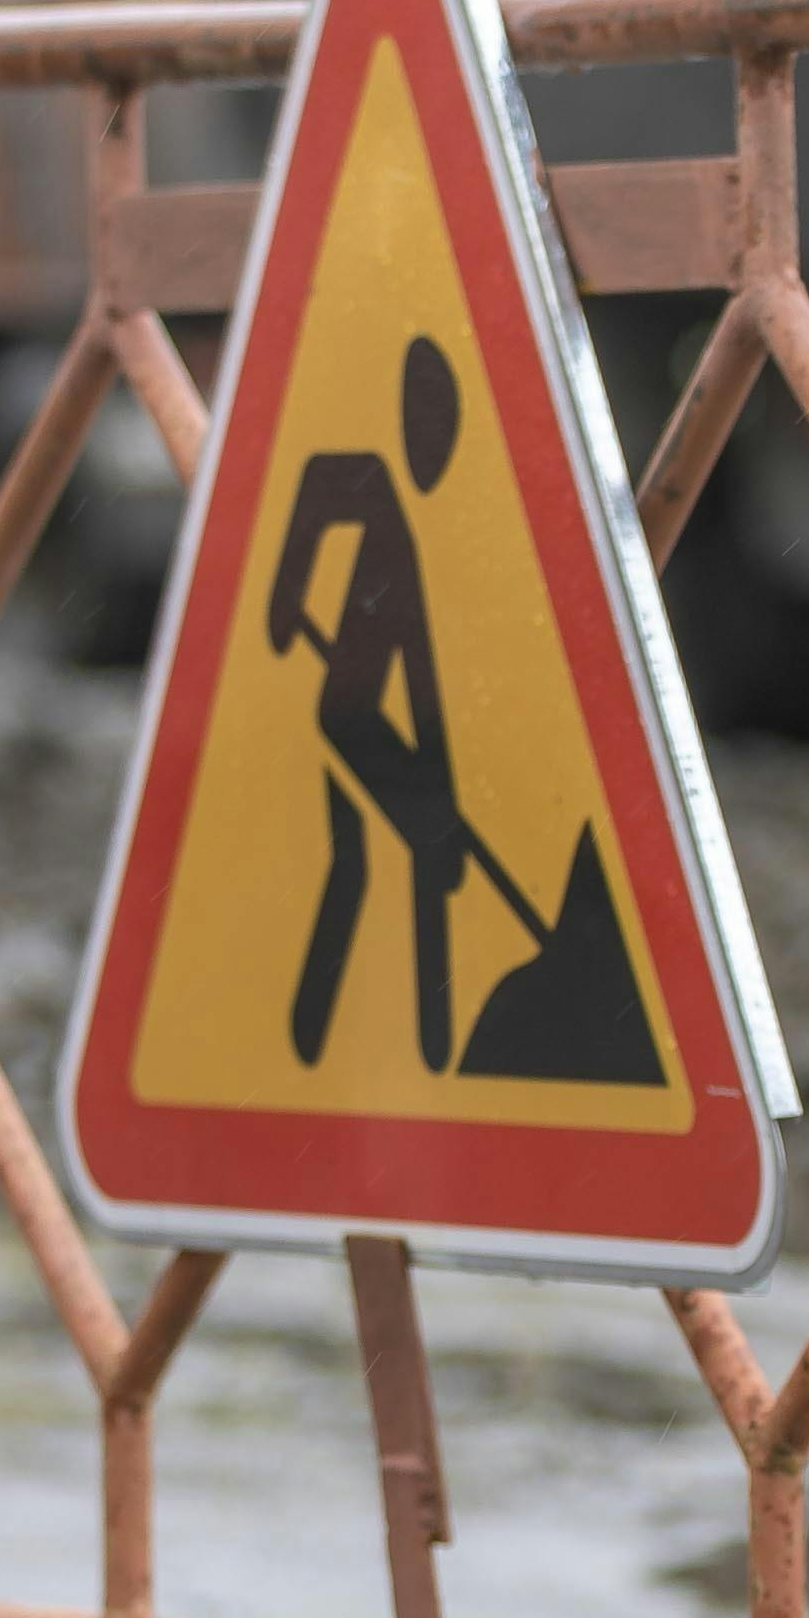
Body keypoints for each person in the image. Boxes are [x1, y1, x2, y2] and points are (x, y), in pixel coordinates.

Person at [271, 337, 471, 1072]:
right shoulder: (375, 484)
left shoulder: (426, 537)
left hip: (373, 717)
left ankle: (415, 1052)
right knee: (395, 853)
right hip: (344, 713)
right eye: (425, 431)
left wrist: (438, 783)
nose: (433, 451)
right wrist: (284, 599)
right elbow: (321, 486)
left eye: (441, 437)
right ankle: (324, 1046)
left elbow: (423, 679)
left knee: (364, 862)